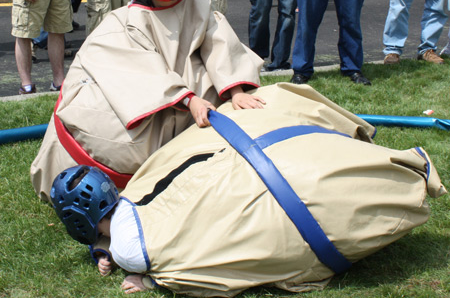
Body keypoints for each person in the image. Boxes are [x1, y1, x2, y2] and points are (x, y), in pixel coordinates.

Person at [49, 83, 447, 296]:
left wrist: (144, 277)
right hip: (259, 158)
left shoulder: (131, 249)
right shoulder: (137, 189)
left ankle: (389, 171)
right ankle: (359, 148)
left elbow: (184, 261)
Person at [31, 0, 264, 202]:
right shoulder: (125, 23)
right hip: (151, 105)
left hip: (181, 97)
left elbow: (220, 45)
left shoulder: (198, 7)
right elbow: (140, 70)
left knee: (213, 82)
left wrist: (236, 91)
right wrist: (189, 101)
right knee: (115, 134)